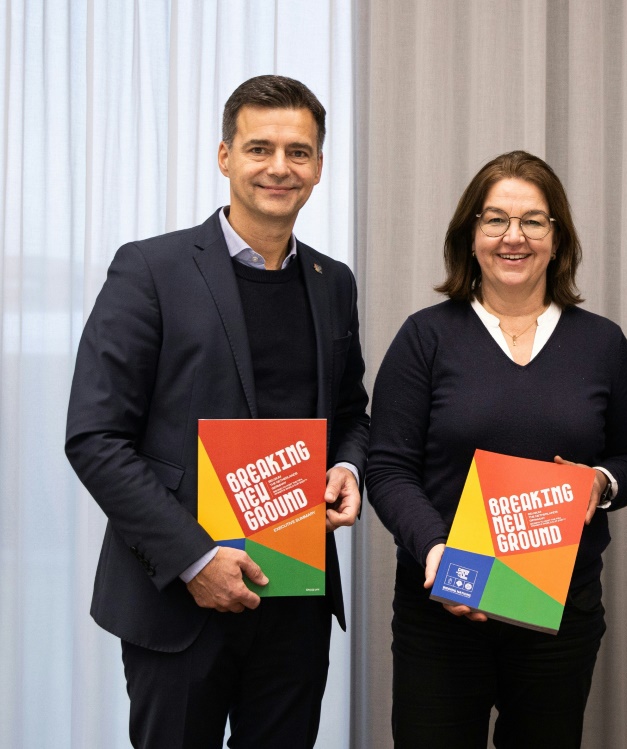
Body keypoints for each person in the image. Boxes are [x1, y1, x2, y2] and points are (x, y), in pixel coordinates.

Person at [65, 75, 369, 748]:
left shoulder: (332, 282)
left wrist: (347, 464)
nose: (279, 167)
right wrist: (196, 559)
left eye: (299, 151)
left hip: (295, 596)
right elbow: (95, 436)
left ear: (319, 166)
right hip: (178, 597)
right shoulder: (151, 270)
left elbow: (351, 410)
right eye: (260, 147)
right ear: (225, 155)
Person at [366, 150, 627, 748]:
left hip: (560, 614)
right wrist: (436, 551)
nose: (513, 237)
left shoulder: (602, 343)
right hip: (443, 604)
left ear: (558, 237)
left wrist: (601, 483)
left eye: (533, 221)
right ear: (470, 236)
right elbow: (389, 468)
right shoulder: (425, 337)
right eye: (494, 219)